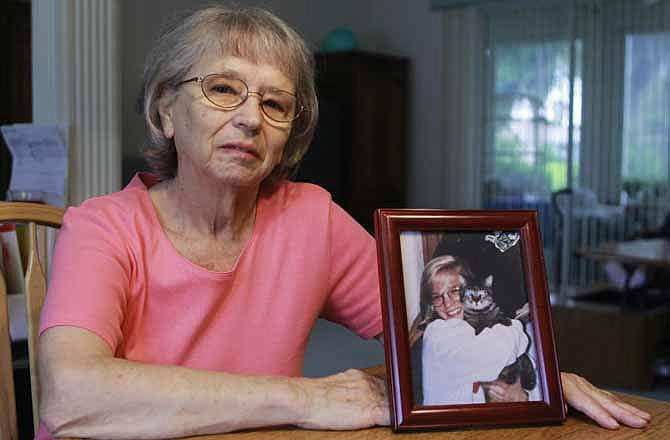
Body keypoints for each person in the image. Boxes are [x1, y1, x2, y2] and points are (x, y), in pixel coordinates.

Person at [37, 5, 649, 439]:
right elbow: (71, 397)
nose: (251, 119)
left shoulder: (311, 219)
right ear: (165, 110)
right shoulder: (102, 227)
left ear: (289, 135)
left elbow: (426, 322)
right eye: (223, 89)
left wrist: (541, 374)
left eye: (275, 103)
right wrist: (304, 398)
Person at [409, 255, 534, 405]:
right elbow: (502, 352)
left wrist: (522, 396)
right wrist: (517, 326)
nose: (447, 304)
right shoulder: (437, 334)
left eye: (454, 291)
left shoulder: (471, 329)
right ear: (430, 304)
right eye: (437, 297)